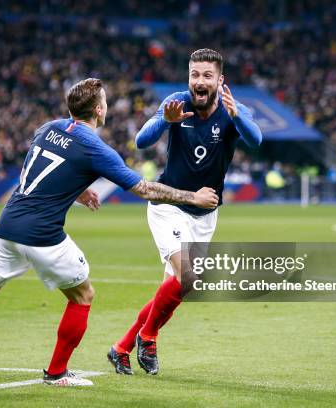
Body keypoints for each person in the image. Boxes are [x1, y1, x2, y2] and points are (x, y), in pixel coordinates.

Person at [0, 78, 219, 386]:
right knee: (83, 295)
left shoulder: (48, 128)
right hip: (41, 233)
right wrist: (193, 197)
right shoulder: (96, 148)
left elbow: (39, 165)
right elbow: (144, 188)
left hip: (7, 225)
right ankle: (57, 373)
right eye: (106, 101)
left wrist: (79, 188)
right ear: (99, 110)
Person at [108, 48, 262, 375]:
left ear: (220, 81)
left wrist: (238, 118)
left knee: (180, 286)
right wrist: (166, 120)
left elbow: (256, 139)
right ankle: (147, 338)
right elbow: (140, 141)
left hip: (205, 213)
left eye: (207, 75)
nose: (199, 81)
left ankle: (121, 347)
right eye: (195, 74)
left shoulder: (235, 109)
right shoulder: (176, 103)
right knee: (188, 276)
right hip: (170, 206)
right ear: (188, 77)